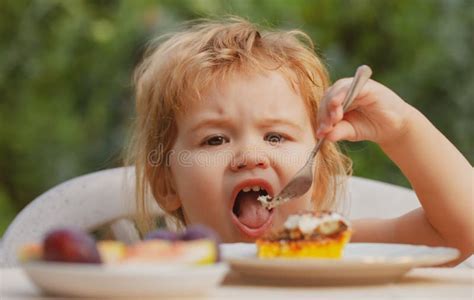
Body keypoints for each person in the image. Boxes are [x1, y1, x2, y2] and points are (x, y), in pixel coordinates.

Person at [127, 17, 472, 265]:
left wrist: (403, 130)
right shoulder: (165, 270)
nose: (249, 156)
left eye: (275, 136)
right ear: (166, 183)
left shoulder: (333, 250)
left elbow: (460, 232)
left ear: (318, 177)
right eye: (215, 140)